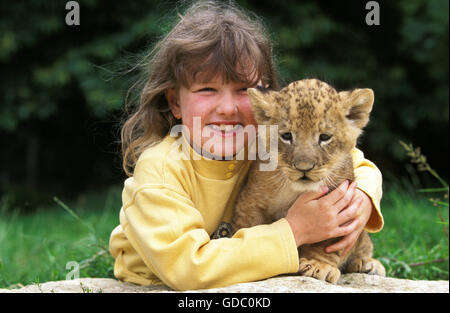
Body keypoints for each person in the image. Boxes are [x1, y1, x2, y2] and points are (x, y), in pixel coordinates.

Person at [109, 0, 383, 291]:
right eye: (207, 89)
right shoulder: (161, 170)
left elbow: (350, 158)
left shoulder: (265, 141)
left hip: (242, 267)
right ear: (175, 102)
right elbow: (189, 268)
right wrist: (294, 232)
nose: (227, 108)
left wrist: (362, 199)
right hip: (158, 280)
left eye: (242, 90)